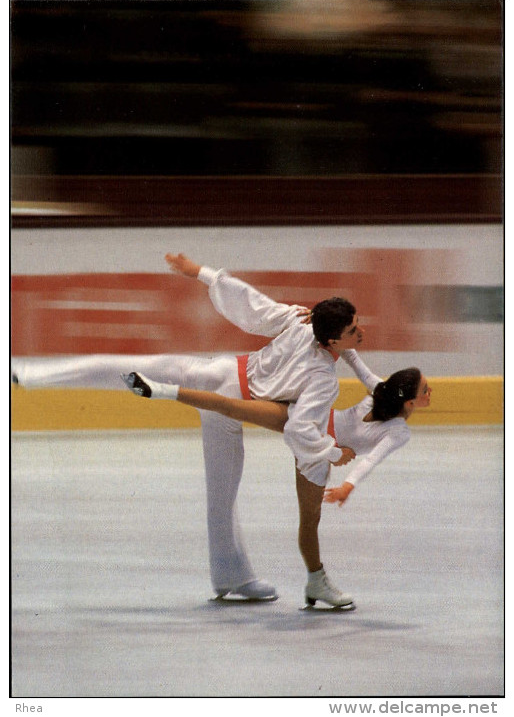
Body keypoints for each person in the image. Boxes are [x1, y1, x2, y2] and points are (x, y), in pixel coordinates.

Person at [12, 252, 365, 604]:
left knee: (130, 367)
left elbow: (253, 307)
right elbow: (301, 430)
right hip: (225, 405)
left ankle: (29, 374)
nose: (360, 332)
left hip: (216, 377)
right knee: (221, 497)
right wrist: (335, 452)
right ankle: (231, 575)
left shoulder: (302, 320)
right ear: (332, 340)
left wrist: (201, 272)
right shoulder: (322, 377)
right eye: (352, 329)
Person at [122, 354, 431, 607]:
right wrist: (335, 337)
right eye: (425, 390)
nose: (430, 393)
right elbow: (354, 361)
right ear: (410, 402)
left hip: (313, 440)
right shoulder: (389, 408)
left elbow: (372, 456)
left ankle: (316, 582)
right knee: (232, 406)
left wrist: (348, 484)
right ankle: (159, 389)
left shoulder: (392, 419)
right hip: (309, 429)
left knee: (309, 520)